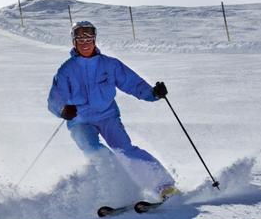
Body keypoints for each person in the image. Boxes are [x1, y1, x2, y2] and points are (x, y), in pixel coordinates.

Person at [47, 21, 178, 200]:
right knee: (93, 150)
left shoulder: (109, 65)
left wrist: (153, 93)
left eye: (89, 38)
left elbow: (132, 83)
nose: (85, 42)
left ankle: (164, 186)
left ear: (94, 40)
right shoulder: (66, 70)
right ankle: (120, 188)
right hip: (80, 121)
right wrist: (62, 110)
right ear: (74, 42)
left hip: (107, 116)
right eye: (80, 38)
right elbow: (55, 98)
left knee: (124, 149)